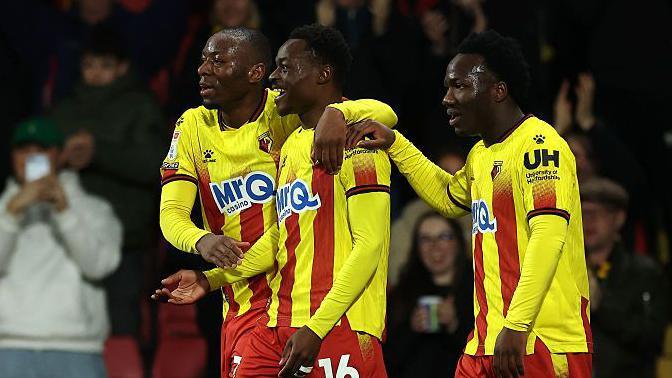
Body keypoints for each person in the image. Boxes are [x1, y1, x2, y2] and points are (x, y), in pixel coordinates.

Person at [347, 30, 592, 377]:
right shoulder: (481, 155)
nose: (447, 98)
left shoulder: (539, 146)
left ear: (498, 90)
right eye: (447, 87)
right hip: (487, 343)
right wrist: (395, 145)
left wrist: (518, 325)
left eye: (459, 86)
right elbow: (448, 198)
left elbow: (548, 237)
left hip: (542, 341)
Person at [154, 24, 394, 378]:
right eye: (203, 60)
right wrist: (202, 242)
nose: (203, 69)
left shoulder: (286, 112)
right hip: (243, 298)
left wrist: (338, 114)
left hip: (311, 297)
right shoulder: (193, 126)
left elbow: (379, 112)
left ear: (255, 73)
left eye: (217, 61)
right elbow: (171, 213)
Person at [50, 28, 165, 337]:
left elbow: (155, 165)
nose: (96, 73)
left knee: (119, 327)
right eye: (89, 66)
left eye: (105, 65)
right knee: (68, 324)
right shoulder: (64, 110)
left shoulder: (142, 106)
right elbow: (31, 163)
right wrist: (56, 160)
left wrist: (98, 151)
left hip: (124, 240)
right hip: (68, 239)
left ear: (122, 67)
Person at [0, 118, 122, 378]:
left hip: (76, 348)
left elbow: (99, 266)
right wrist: (10, 214)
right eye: (24, 150)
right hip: (8, 346)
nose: (31, 157)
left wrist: (65, 213)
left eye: (41, 150)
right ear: (12, 157)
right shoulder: (2, 210)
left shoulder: (95, 209)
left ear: (58, 155)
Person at [580, 177, 669, 378]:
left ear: (619, 219)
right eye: (583, 213)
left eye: (598, 213)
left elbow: (652, 338)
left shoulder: (644, 273)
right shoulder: (561, 271)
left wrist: (601, 305)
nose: (589, 221)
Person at [386, 211, 473, 377]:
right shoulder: (403, 292)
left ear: (458, 242)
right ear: (416, 248)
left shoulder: (477, 289)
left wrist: (455, 326)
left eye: (444, 237)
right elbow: (387, 361)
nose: (435, 246)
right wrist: (411, 329)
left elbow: (490, 357)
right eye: (425, 239)